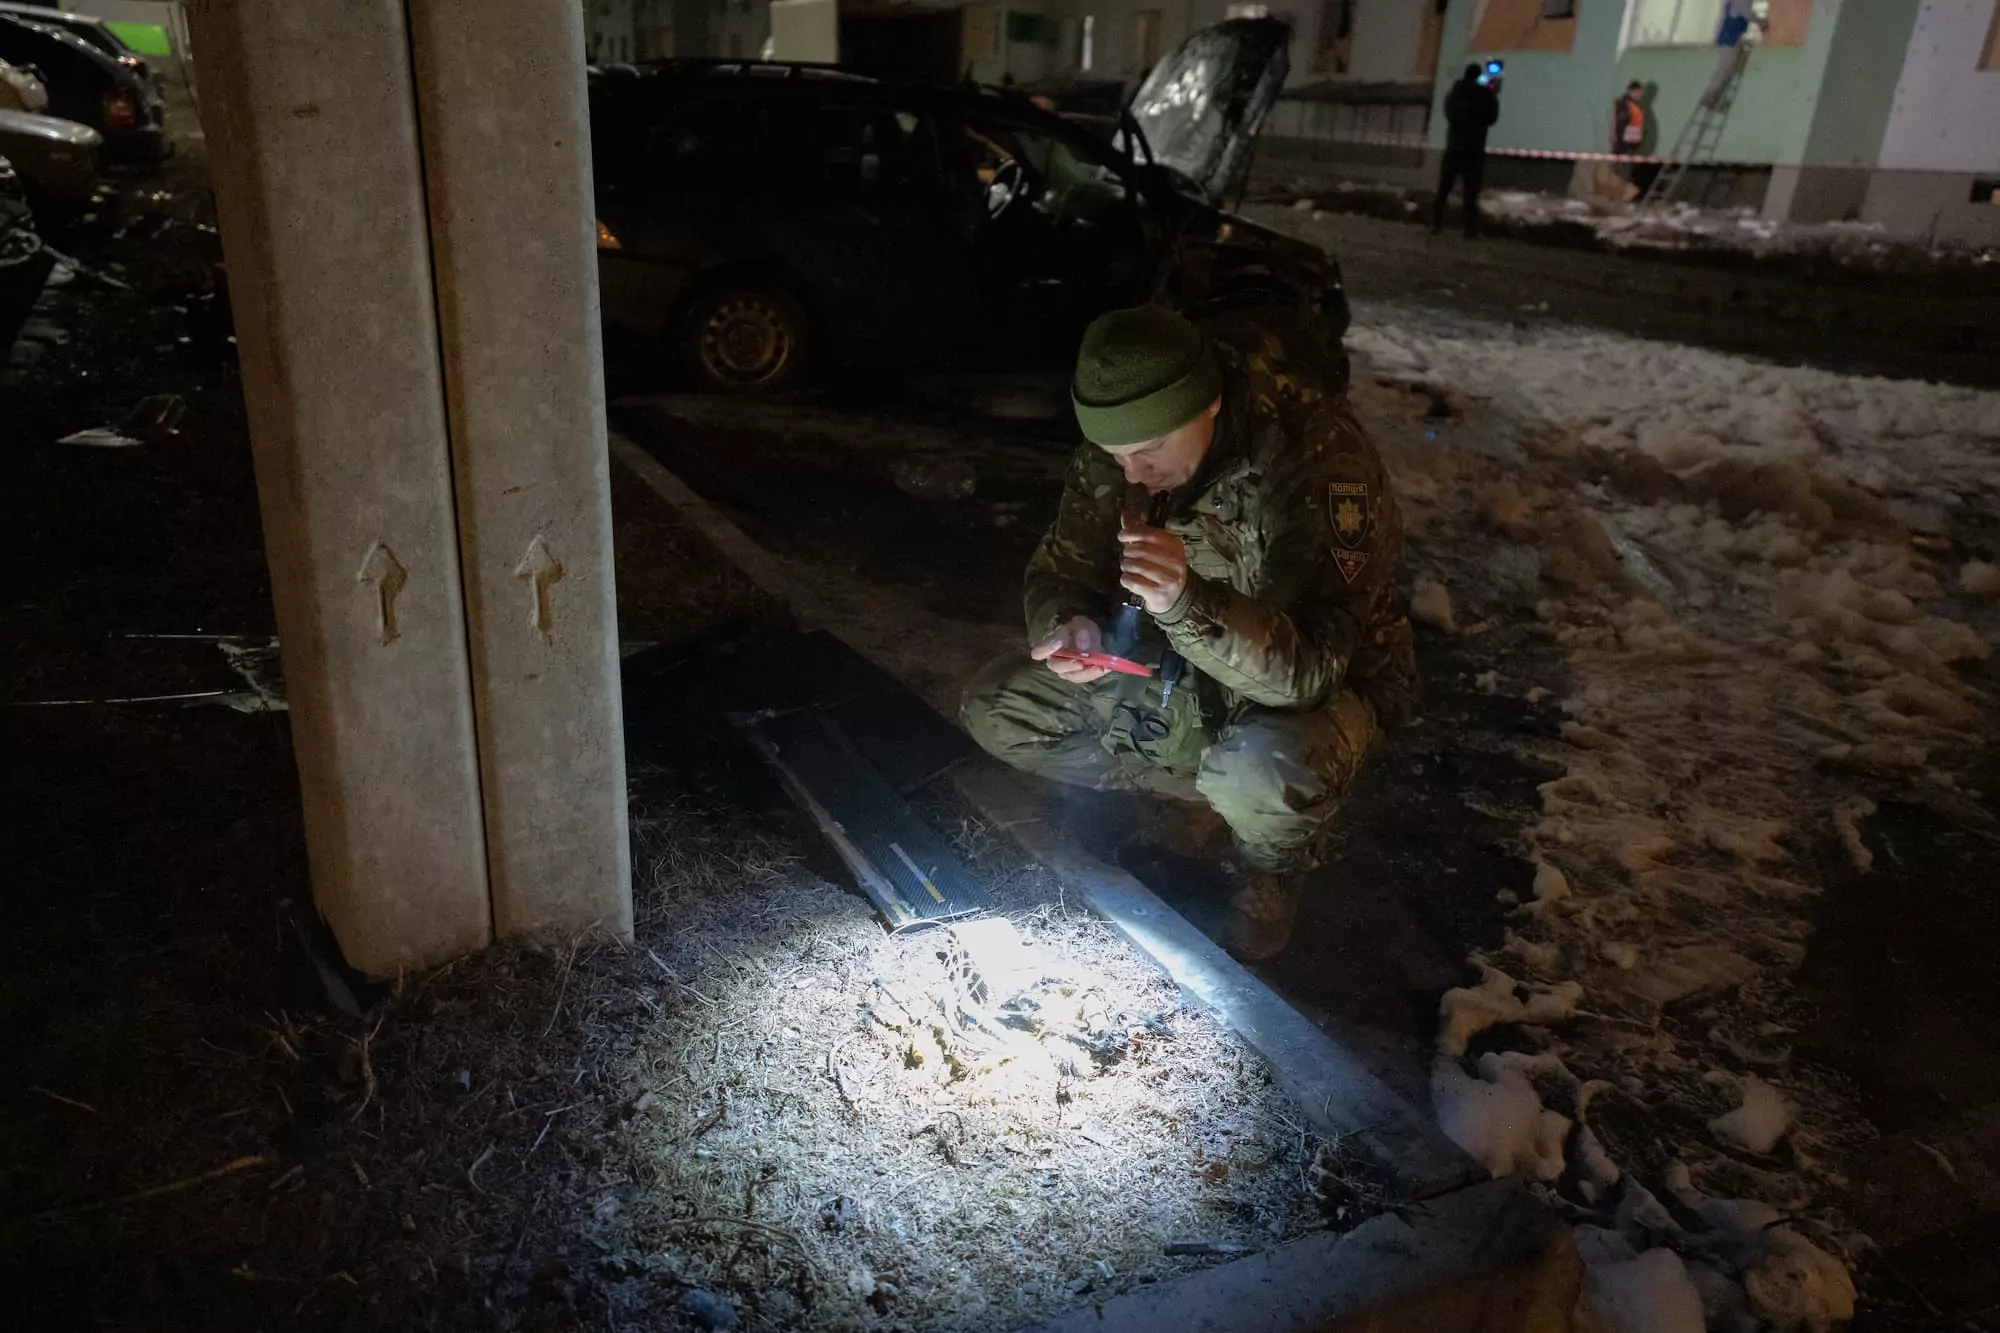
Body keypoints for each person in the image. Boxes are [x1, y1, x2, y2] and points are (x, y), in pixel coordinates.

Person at [960, 305, 1418, 961]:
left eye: (1148, 451)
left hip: (1313, 689)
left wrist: (1183, 599)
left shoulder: (1317, 458)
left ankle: (1271, 861)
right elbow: (1063, 565)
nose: (1133, 475)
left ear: (1207, 406)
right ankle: (1186, 794)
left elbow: (1306, 670)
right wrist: (1068, 623)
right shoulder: (1128, 445)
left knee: (1263, 770)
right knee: (998, 708)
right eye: (1116, 455)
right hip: (1180, 659)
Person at [1433, 63, 1500, 238]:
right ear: (1478, 76)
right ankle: (1469, 230)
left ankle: (1435, 223)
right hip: (1474, 149)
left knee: (1444, 188)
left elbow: (1448, 113)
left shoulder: (1453, 94)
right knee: (1470, 192)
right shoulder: (1484, 94)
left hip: (1454, 147)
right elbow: (1492, 117)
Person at [1700, 0, 1761, 109]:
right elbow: (1746, 13)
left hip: (1732, 37)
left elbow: (1746, 12)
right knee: (1725, 68)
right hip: (1729, 38)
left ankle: (1716, 98)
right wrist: (1760, 21)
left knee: (1728, 68)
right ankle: (1711, 96)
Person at [1612, 80, 1646, 157]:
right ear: (1630, 92)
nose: (1639, 95)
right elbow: (1617, 125)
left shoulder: (1637, 107)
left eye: (1640, 93)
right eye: (1637, 92)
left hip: (1632, 146)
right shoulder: (1624, 105)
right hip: (1623, 146)